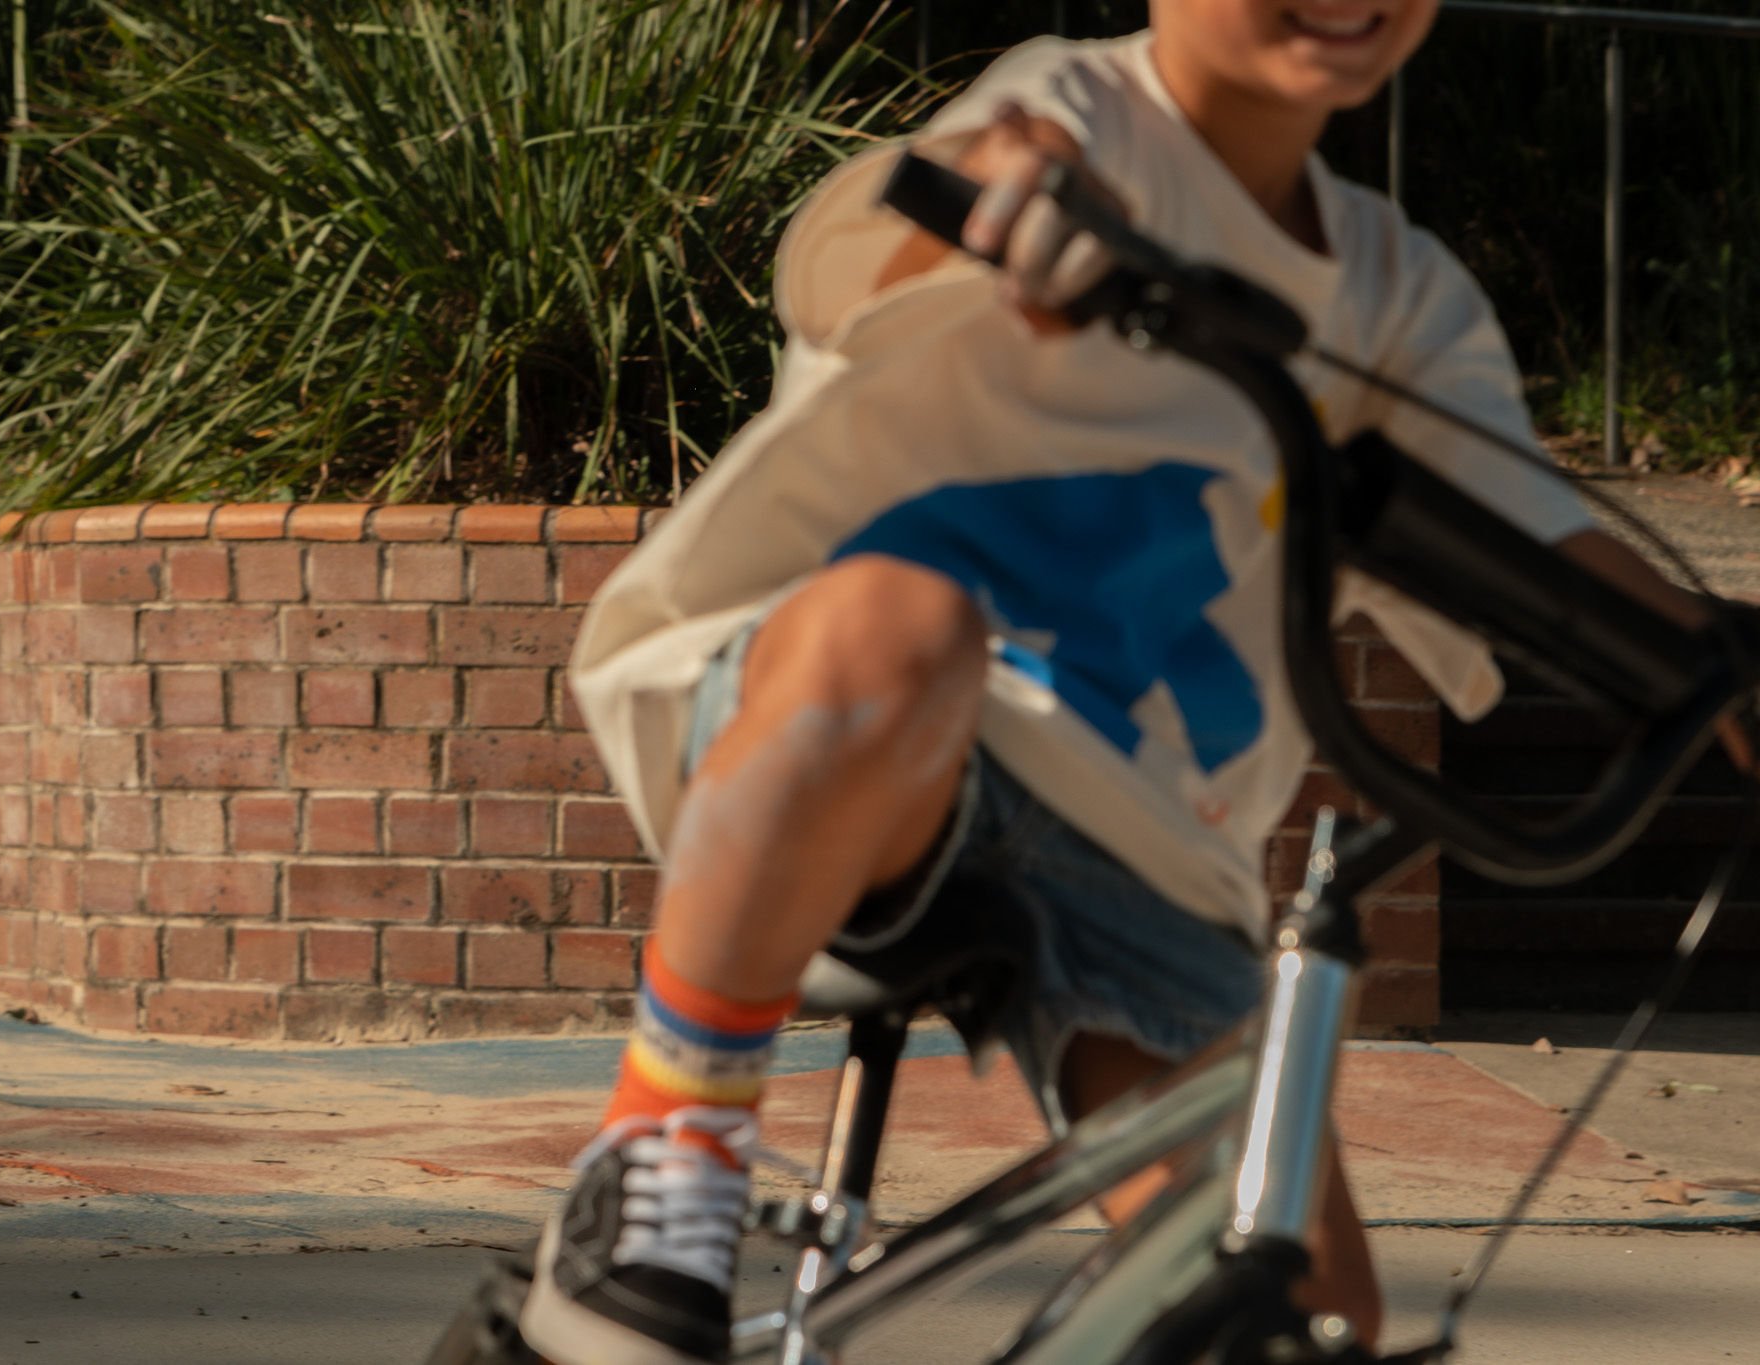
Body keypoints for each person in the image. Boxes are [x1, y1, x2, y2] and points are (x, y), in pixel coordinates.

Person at [519, 4, 1719, 1362]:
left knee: (1303, 1313)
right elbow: (899, 218)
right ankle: (663, 1141)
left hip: (1137, 851)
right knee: (905, 628)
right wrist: (1018, 193)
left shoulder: (1399, 297)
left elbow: (1546, 547)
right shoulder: (1079, 112)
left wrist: (1716, 666)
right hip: (869, 730)